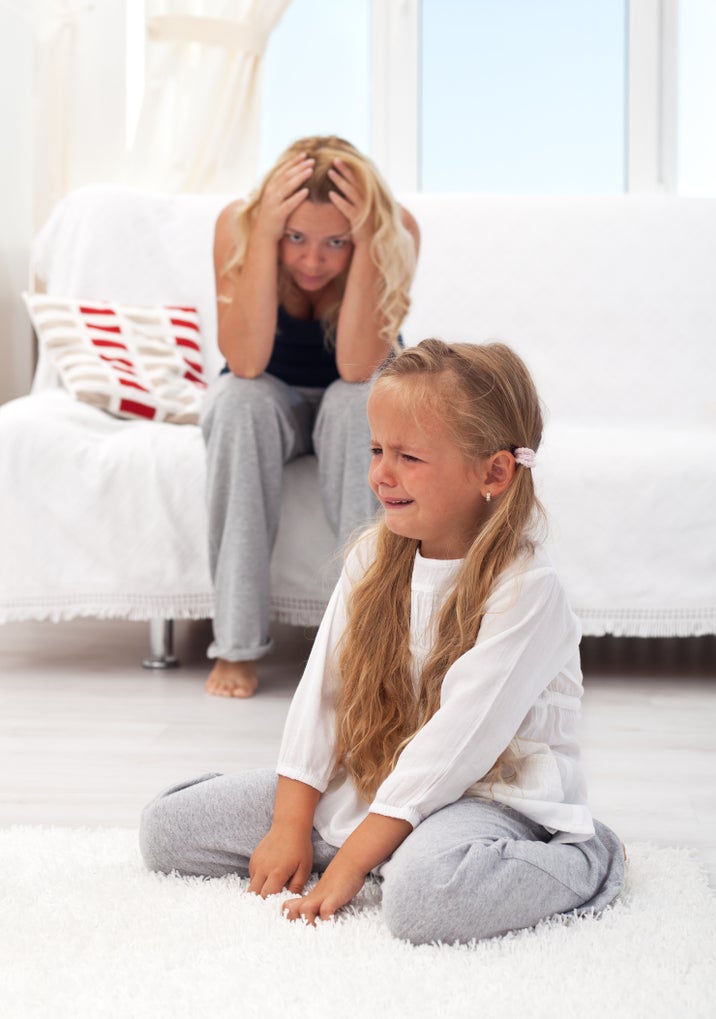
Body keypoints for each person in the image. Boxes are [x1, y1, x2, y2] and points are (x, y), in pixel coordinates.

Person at [140, 339, 625, 944]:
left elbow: (456, 745)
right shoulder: (372, 556)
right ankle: (388, 848)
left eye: (409, 457)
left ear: (493, 472)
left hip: (485, 795)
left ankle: (585, 858)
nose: (380, 475)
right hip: (376, 783)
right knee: (167, 829)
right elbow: (322, 696)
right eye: (375, 450)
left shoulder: (527, 588)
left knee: (424, 904)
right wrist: (291, 824)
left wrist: (348, 864)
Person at [201, 135, 420, 699]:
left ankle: (362, 645)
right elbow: (245, 363)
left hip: (356, 394)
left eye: (335, 242)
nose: (312, 260)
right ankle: (236, 643)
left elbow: (355, 366)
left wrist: (371, 238)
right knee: (236, 402)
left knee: (355, 402)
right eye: (296, 237)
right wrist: (265, 235)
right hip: (268, 394)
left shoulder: (396, 231)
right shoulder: (238, 226)